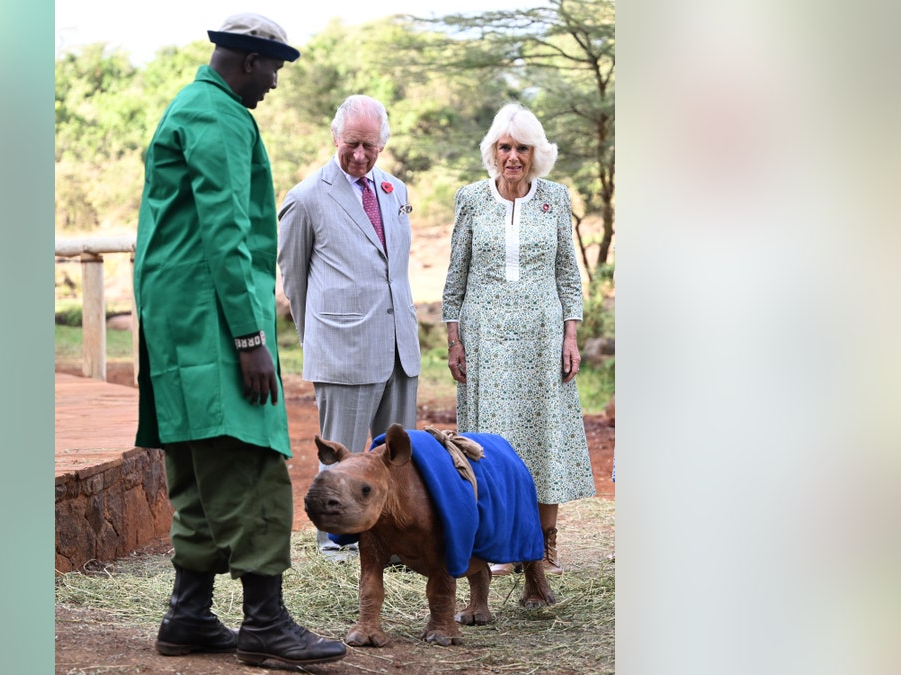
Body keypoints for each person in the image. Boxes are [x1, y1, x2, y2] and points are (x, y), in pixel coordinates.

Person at [132, 13, 345, 667]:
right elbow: (226, 229)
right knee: (250, 463)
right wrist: (251, 338)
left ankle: (188, 615)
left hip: (181, 328)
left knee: (198, 467)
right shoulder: (220, 115)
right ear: (250, 61)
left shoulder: (189, 106)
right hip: (214, 326)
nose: (276, 83)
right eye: (274, 68)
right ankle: (265, 625)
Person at [441, 102, 596, 576]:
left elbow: (568, 275)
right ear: (493, 150)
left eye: (522, 148)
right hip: (486, 339)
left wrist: (571, 335)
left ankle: (545, 548)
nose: (513, 156)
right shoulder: (470, 197)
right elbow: (456, 274)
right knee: (491, 442)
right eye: (505, 147)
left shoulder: (555, 197)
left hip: (543, 337)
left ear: (536, 153)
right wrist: (454, 338)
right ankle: (502, 543)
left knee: (545, 436)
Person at [278, 95, 422, 560]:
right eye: (353, 144)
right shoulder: (305, 198)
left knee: (396, 456)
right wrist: (321, 337)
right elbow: (294, 280)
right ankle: (336, 543)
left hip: (399, 344)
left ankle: (393, 542)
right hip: (343, 349)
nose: (360, 155)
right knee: (341, 457)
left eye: (371, 146)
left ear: (383, 144)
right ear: (335, 138)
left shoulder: (396, 192)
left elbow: (394, 268)